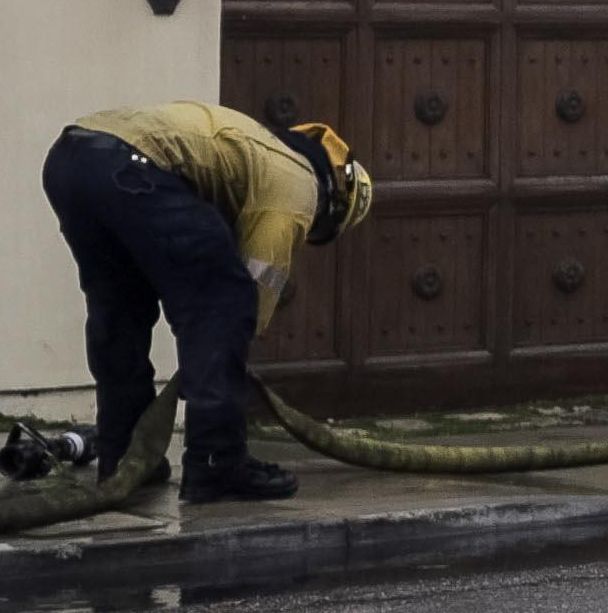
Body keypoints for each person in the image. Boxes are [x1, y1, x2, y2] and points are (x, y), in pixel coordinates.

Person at [40, 103, 375, 501]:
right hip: (131, 166)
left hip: (71, 159)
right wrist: (228, 347)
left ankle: (129, 457)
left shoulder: (257, 149)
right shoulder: (299, 182)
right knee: (223, 303)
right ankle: (218, 462)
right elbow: (254, 282)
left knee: (121, 312)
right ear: (335, 204)